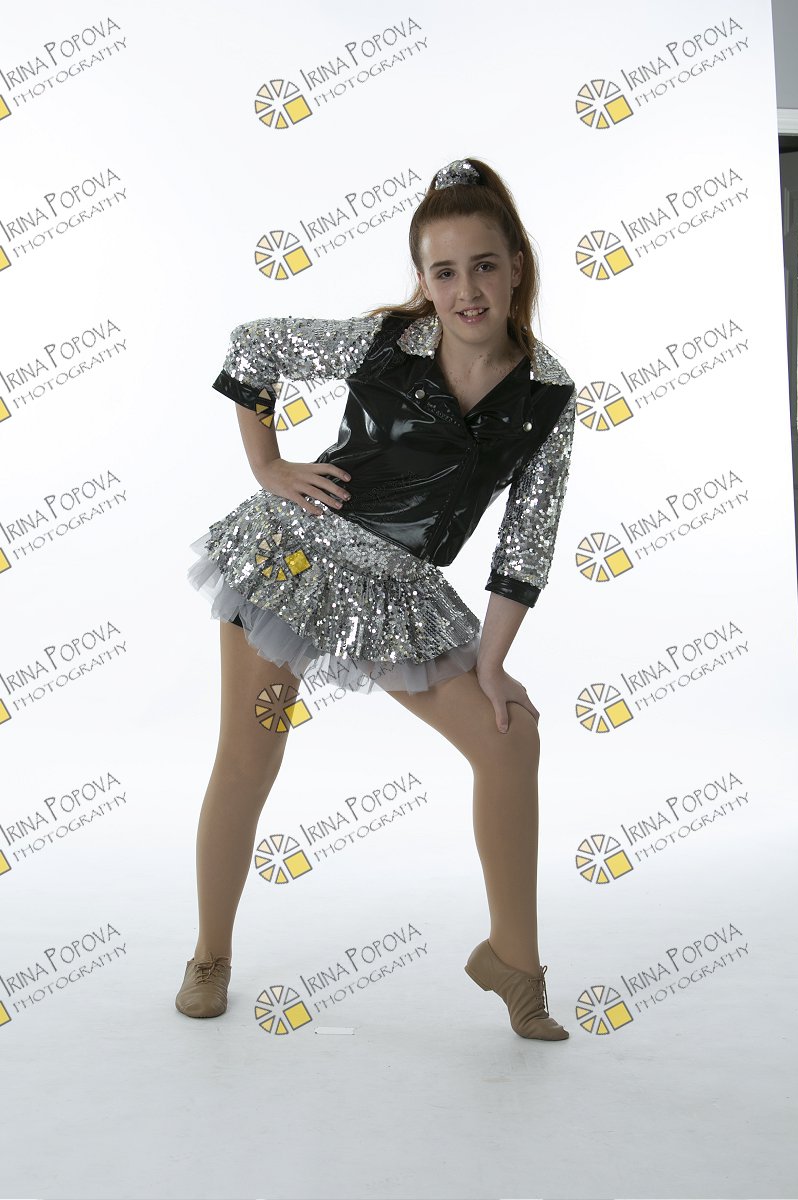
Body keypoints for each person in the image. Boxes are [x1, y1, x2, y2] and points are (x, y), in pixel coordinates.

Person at [177, 157, 577, 1041]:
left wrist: (494, 663)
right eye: (446, 272)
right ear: (424, 282)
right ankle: (210, 954)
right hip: (292, 562)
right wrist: (268, 465)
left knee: (512, 739)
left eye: (484, 266)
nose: (467, 290)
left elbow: (526, 543)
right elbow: (254, 343)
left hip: (399, 594)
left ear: (516, 266)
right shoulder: (385, 344)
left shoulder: (548, 397)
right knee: (250, 757)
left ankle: (515, 963)